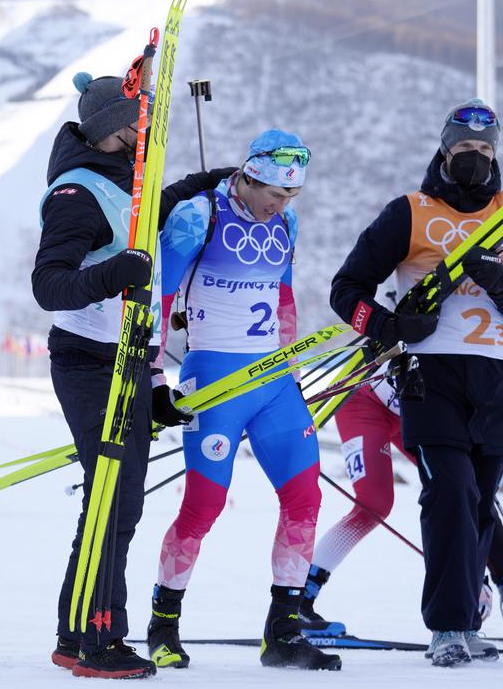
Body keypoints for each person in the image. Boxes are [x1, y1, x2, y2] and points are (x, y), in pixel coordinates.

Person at [328, 99, 503, 667]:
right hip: (431, 374)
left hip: (499, 375)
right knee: (448, 491)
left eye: (484, 149)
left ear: (495, 153)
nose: (474, 158)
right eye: (464, 149)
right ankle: (448, 625)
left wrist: (499, 277)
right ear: (445, 150)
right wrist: (388, 325)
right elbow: (345, 291)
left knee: (477, 501)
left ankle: (470, 620)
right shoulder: (408, 212)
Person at [32, 68, 236, 679]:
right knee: (111, 504)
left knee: (117, 508)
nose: (144, 136)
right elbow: (49, 286)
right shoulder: (76, 194)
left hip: (128, 362)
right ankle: (100, 639)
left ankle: (75, 634)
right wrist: (117, 272)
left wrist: (209, 180)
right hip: (88, 360)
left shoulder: (124, 178)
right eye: (136, 127)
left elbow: (149, 211)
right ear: (109, 131)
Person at [144, 130, 340, 672]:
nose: (281, 206)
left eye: (290, 198)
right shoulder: (196, 215)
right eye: (275, 195)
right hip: (215, 382)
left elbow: (283, 294)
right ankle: (163, 624)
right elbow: (157, 299)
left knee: (304, 499)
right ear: (250, 176)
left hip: (274, 382)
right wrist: (156, 381)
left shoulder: (287, 223)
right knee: (203, 507)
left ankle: (283, 632)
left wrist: (292, 371)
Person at [300, 378, 503, 640]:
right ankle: (301, 597)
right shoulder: (475, 413)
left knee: (473, 494)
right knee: (375, 503)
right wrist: (467, 576)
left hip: (416, 410)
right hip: (368, 404)